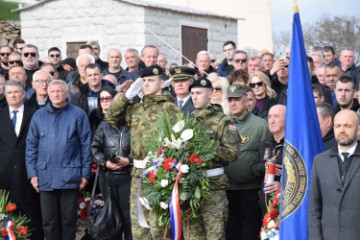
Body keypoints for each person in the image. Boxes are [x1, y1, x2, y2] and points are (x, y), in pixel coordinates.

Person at [105, 64, 179, 240]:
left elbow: (178, 142)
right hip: (138, 174)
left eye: (151, 80)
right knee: (139, 229)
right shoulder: (136, 108)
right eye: (144, 80)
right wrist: (126, 96)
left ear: (162, 83)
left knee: (159, 229)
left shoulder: (170, 108)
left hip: (159, 174)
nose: (146, 84)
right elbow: (110, 116)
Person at [26, 80, 92, 240]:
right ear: (48, 93)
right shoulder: (39, 116)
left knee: (69, 221)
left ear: (66, 93)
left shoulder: (78, 114)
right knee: (49, 221)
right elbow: (31, 147)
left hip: (70, 176)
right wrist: (32, 174)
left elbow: (86, 145)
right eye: (53, 91)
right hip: (45, 176)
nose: (56, 94)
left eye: (59, 91)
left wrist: (85, 174)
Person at [182, 77, 240, 240]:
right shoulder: (187, 121)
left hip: (213, 188)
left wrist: (208, 147)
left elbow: (233, 153)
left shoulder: (224, 121)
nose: (194, 97)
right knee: (192, 236)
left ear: (210, 94)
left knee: (216, 235)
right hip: (190, 189)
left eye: (199, 93)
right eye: (192, 93)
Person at [224, 84, 270, 240]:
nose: (233, 103)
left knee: (249, 234)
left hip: (250, 190)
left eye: (237, 99)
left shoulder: (260, 125)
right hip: (227, 190)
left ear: (246, 100)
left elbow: (266, 155)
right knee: (231, 233)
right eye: (230, 100)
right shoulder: (223, 124)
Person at [0, 80, 44, 240]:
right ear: (5, 95)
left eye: (16, 92)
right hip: (3, 177)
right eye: (9, 92)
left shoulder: (36, 114)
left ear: (24, 94)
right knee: (6, 219)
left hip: (29, 175)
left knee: (32, 218)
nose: (13, 95)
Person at [309, 109, 360, 240]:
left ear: (358, 130)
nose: (342, 130)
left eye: (347, 126)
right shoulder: (319, 161)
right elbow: (314, 208)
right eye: (338, 126)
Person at [91, 87, 132, 240]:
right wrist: (105, 162)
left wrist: (128, 160)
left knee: (128, 219)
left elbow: (143, 150)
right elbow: (94, 147)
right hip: (107, 176)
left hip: (129, 177)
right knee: (110, 217)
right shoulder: (103, 125)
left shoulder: (134, 124)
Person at [251, 104, 286, 214]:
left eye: (276, 116)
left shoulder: (293, 146)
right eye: (270, 117)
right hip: (265, 205)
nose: (272, 121)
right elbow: (253, 169)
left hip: (286, 205)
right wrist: (265, 166)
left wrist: (281, 186)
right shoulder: (264, 144)